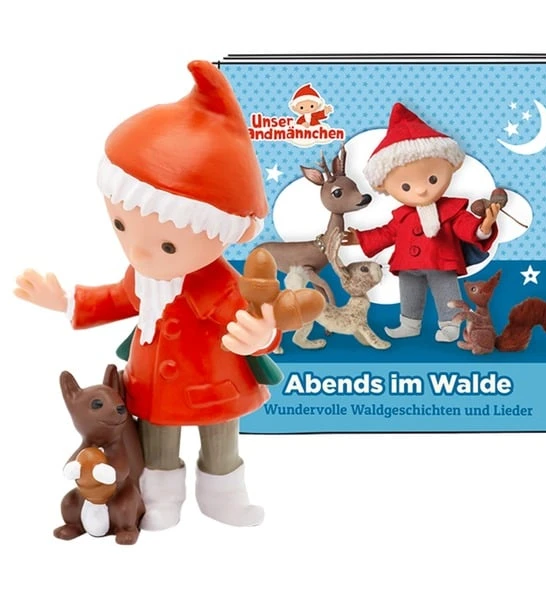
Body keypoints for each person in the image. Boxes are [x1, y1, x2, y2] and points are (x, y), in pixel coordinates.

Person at [14, 61, 282, 530]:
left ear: (226, 231)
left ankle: (223, 496)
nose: (137, 251)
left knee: (221, 442)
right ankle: (161, 499)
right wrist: (66, 301)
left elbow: (246, 320)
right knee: (158, 445)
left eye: (168, 246)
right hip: (152, 383)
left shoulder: (217, 284)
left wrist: (262, 335)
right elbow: (118, 298)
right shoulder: (142, 275)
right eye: (121, 225)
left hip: (214, 382)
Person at [343, 102, 500, 342]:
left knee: (446, 293)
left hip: (441, 261)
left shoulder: (452, 209)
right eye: (406, 186)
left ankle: (450, 324)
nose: (421, 190)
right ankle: (409, 323)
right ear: (384, 186)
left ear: (451, 166)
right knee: (409, 294)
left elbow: (464, 226)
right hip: (408, 264)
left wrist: (483, 227)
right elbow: (387, 233)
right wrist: (360, 238)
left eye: (432, 179)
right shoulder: (402, 215)